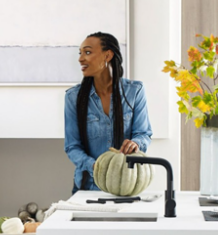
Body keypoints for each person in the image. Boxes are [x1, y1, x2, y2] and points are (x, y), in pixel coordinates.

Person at [64, 31, 153, 192]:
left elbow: (144, 134)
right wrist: (97, 167)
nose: (80, 58)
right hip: (88, 187)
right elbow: (72, 146)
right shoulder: (73, 97)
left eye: (88, 52)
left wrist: (136, 143)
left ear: (108, 55)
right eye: (81, 53)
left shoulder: (135, 91)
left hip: (127, 186)